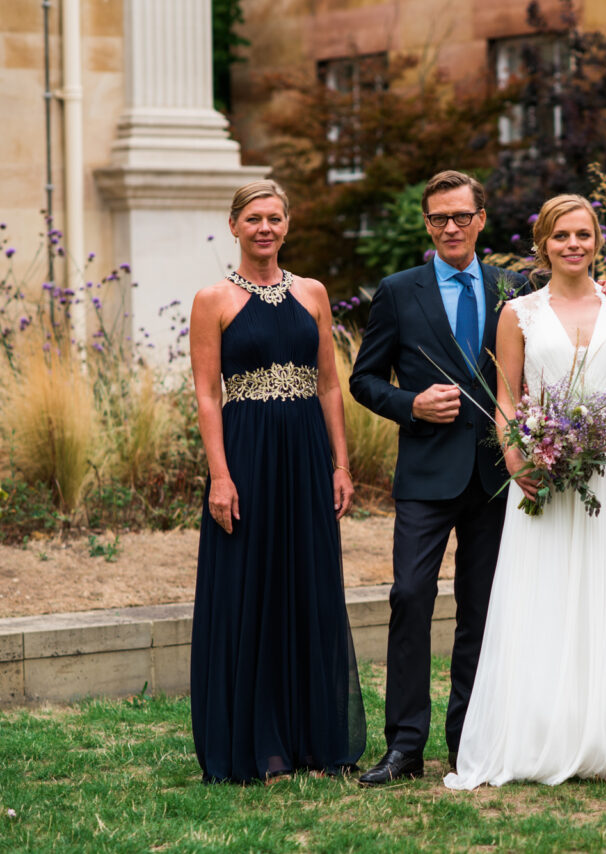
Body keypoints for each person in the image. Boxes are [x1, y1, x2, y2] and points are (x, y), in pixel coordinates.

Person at [444, 194, 606, 789]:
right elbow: (508, 399)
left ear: (599, 241)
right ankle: (539, 728)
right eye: (562, 235)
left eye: (585, 235)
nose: (574, 245)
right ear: (543, 244)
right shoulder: (518, 312)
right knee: (540, 589)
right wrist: (519, 463)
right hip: (538, 469)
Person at [349, 170, 525, 785]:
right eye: (437, 219)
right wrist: (411, 404)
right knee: (410, 598)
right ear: (427, 225)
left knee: (481, 609)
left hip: (494, 475)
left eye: (460, 216)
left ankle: (468, 741)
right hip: (425, 473)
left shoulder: (516, 288)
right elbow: (363, 379)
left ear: (481, 219)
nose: (449, 228)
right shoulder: (399, 291)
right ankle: (404, 746)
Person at [189, 179, 365, 784]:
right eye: (254, 219)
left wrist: (340, 464)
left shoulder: (313, 293)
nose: (265, 228)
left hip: (306, 452)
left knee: (308, 584)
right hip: (246, 454)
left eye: (275, 218)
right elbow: (207, 395)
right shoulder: (212, 300)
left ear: (287, 225)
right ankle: (259, 745)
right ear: (234, 225)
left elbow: (329, 385)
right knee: (249, 588)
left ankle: (314, 740)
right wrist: (219, 475)